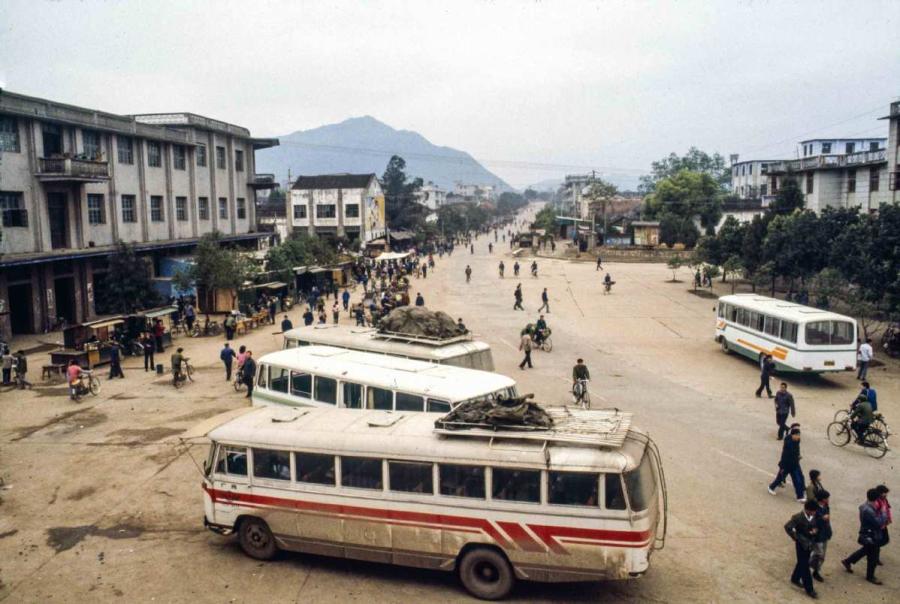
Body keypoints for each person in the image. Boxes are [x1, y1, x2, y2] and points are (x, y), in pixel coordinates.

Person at [841, 488, 884, 585]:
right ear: (876, 499)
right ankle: (870, 576)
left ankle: (848, 561)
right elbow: (879, 523)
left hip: (867, 533)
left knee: (865, 550)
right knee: (873, 555)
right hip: (872, 535)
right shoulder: (869, 510)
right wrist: (883, 513)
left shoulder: (864, 506)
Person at [784, 499, 820, 599]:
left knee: (802, 562)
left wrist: (815, 531)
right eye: (813, 511)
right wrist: (795, 537)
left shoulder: (814, 516)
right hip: (801, 544)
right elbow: (788, 527)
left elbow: (816, 525)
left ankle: (795, 578)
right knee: (805, 566)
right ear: (808, 510)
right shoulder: (798, 517)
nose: (815, 512)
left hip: (810, 544)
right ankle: (809, 589)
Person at [768, 427, 806, 501]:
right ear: (793, 435)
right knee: (780, 478)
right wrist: (783, 467)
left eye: (799, 435)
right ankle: (771, 487)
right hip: (787, 465)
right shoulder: (789, 444)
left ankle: (800, 496)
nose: (798, 437)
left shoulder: (796, 440)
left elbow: (797, 450)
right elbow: (787, 456)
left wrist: (798, 456)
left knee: (797, 479)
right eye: (797, 435)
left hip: (795, 464)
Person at [810, 490, 832, 583]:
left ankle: (816, 570)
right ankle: (810, 567)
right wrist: (822, 519)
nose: (828, 500)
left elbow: (828, 521)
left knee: (822, 555)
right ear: (823, 499)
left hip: (824, 533)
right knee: (818, 553)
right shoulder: (814, 508)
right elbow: (812, 521)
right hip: (818, 535)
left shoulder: (826, 507)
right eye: (827, 498)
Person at [873, 485, 891, 568]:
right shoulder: (877, 502)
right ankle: (874, 555)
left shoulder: (884, 500)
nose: (886, 495)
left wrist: (888, 519)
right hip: (879, 525)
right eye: (885, 493)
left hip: (883, 524)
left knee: (885, 540)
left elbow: (887, 509)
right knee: (880, 541)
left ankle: (874, 553)